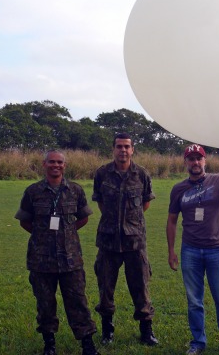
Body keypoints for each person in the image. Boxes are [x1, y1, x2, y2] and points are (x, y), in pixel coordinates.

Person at [15, 150, 99, 355]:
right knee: (45, 304)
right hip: (41, 260)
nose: (56, 165)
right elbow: (25, 220)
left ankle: (87, 345)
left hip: (71, 260)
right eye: (51, 162)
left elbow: (83, 218)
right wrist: (42, 235)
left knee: (78, 302)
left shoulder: (76, 190)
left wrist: (65, 233)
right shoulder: (33, 191)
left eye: (59, 162)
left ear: (65, 165)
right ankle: (49, 344)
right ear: (44, 164)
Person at [166, 144, 219, 355]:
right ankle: (197, 342)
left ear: (205, 160)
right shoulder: (178, 189)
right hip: (190, 250)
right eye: (191, 159)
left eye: (198, 158)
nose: (195, 162)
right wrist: (171, 251)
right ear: (186, 162)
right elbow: (172, 221)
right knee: (194, 301)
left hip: (217, 249)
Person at [92, 133, 158, 346]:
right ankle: (107, 331)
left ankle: (146, 331)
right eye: (119, 146)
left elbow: (145, 204)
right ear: (113, 149)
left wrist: (130, 222)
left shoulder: (141, 174)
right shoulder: (102, 174)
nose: (123, 150)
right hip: (108, 241)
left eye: (127, 147)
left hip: (135, 241)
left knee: (141, 287)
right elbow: (100, 203)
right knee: (105, 287)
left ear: (132, 150)